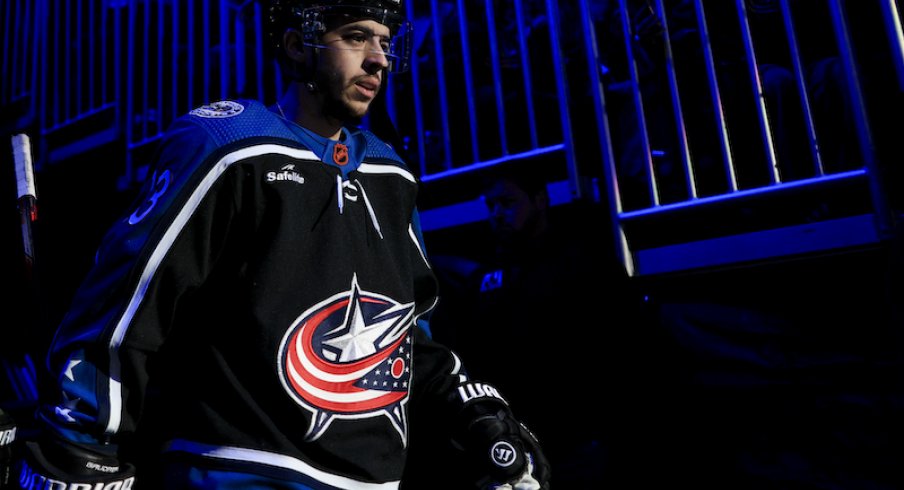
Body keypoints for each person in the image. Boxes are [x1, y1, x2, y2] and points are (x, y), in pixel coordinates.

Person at [12, 1, 550, 488]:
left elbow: (404, 335)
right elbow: (131, 300)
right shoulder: (228, 145)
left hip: (374, 481)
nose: (378, 60)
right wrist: (80, 438)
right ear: (298, 45)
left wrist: (472, 410)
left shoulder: (393, 174)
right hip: (241, 473)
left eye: (385, 42)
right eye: (358, 37)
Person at [429, 167, 652, 488]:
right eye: (490, 206)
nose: (497, 214)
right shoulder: (488, 276)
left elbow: (625, 342)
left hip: (584, 434)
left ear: (539, 200)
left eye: (507, 202)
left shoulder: (583, 261)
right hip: (523, 435)